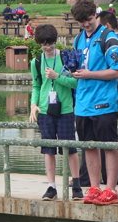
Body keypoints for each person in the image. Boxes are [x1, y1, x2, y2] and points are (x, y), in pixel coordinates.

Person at [70, 0, 118, 205]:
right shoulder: (78, 39)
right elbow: (80, 68)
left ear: (96, 14)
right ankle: (94, 188)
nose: (86, 24)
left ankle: (111, 190)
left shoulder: (108, 37)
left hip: (104, 103)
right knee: (89, 146)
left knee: (109, 146)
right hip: (83, 103)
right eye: (82, 21)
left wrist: (90, 74)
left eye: (89, 19)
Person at [29, 24, 83, 201]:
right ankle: (51, 186)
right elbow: (36, 86)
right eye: (44, 44)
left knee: (70, 148)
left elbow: (76, 83)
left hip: (66, 109)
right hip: (45, 110)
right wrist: (33, 104)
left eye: (50, 43)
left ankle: (76, 184)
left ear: (55, 41)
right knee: (48, 149)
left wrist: (57, 77)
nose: (48, 47)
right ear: (39, 44)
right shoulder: (36, 62)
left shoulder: (66, 58)